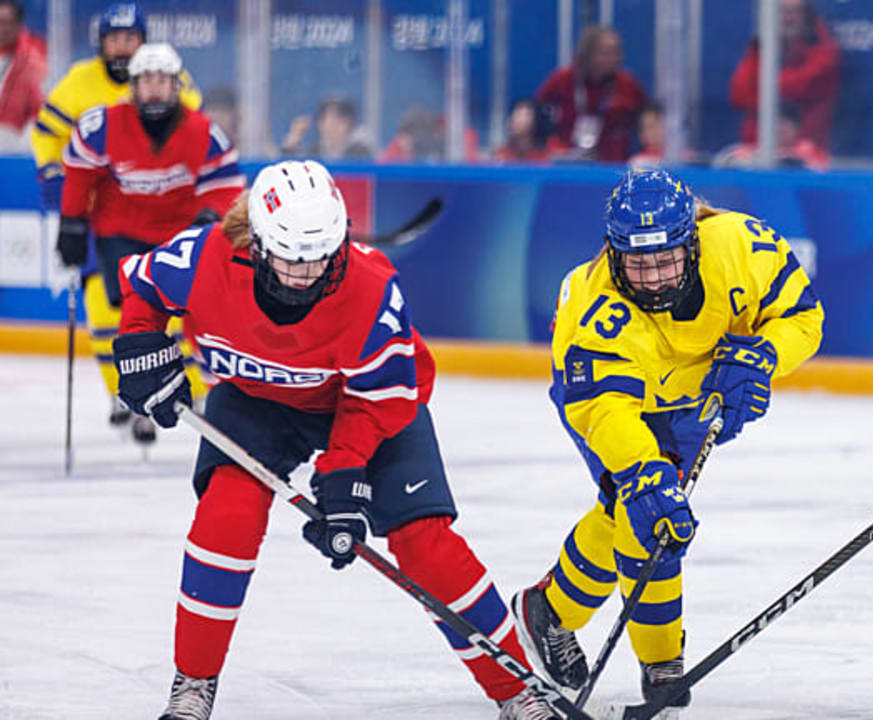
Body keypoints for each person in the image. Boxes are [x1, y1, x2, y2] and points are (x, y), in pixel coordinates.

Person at [110, 160, 557, 720]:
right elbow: (140, 285)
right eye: (292, 259)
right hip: (256, 399)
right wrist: (139, 349)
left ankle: (517, 690)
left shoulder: (371, 291)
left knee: (425, 543)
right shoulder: (205, 258)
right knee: (226, 516)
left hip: (368, 407)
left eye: (320, 257)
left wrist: (345, 475)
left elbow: (383, 397)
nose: (306, 274)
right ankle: (193, 684)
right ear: (257, 243)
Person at [510, 169, 823, 714]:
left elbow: (802, 317)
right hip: (611, 401)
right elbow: (604, 408)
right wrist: (643, 473)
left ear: (692, 243)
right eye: (638, 263)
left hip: (689, 394)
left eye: (666, 260)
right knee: (645, 512)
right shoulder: (595, 309)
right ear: (614, 253)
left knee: (631, 512)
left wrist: (764, 355)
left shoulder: (743, 247)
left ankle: (549, 611)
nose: (653, 277)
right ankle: (661, 664)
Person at [55, 42, 229, 445]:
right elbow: (78, 172)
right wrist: (72, 222)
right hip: (121, 230)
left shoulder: (203, 131)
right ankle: (130, 394)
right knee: (122, 311)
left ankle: (198, 392)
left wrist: (212, 214)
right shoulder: (102, 125)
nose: (153, 89)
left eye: (162, 80)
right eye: (145, 80)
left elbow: (226, 183)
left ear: (175, 85)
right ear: (132, 86)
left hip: (179, 233)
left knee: (195, 308)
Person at [32, 2, 201, 216]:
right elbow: (47, 133)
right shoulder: (79, 80)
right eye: (113, 40)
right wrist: (51, 168)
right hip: (94, 206)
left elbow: (197, 130)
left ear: (143, 42)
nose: (122, 48)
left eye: (130, 39)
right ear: (101, 44)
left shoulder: (167, 75)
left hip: (160, 203)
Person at [728, 0, 839, 151]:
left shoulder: (824, 51)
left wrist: (759, 89)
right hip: (756, 149)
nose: (787, 19)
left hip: (805, 151)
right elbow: (738, 94)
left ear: (807, 16)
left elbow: (790, 88)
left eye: (793, 12)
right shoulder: (761, 46)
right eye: (781, 12)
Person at [534, 25, 647, 164]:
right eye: (606, 53)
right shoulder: (562, 80)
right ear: (588, 55)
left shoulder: (628, 85)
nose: (614, 58)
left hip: (614, 165)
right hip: (567, 164)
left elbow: (646, 122)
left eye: (617, 52)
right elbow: (538, 114)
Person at [0, 0, 47, 152]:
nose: (3, 29)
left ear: (19, 24)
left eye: (8, 22)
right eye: (0, 22)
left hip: (15, 135)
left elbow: (39, 104)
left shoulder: (33, 56)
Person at [280, 93, 374, 160]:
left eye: (338, 120)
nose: (332, 127)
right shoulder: (314, 153)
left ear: (350, 124)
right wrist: (289, 147)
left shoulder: (360, 153)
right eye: (326, 120)